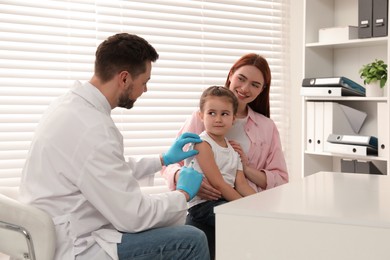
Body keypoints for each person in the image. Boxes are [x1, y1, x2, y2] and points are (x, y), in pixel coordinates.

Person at [18, 33, 210, 260]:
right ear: (125, 78)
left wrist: (162, 160)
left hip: (54, 229)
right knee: (191, 240)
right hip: (74, 247)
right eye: (145, 82)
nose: (145, 90)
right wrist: (183, 194)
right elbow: (133, 216)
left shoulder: (68, 106)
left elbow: (104, 168)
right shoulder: (93, 128)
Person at [161, 53, 289, 259]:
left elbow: (280, 179)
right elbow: (169, 164)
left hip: (243, 211)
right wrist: (188, 180)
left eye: (255, 84)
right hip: (210, 207)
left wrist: (248, 171)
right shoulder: (201, 118)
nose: (246, 88)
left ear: (262, 90)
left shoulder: (266, 127)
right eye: (241, 78)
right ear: (231, 75)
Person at [185, 86, 256, 227]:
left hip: (224, 202)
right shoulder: (202, 144)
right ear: (201, 116)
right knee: (242, 219)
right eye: (211, 113)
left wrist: (259, 203)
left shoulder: (234, 152)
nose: (218, 119)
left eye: (224, 114)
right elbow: (218, 184)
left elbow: (241, 184)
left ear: (233, 118)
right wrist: (245, 206)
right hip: (203, 206)